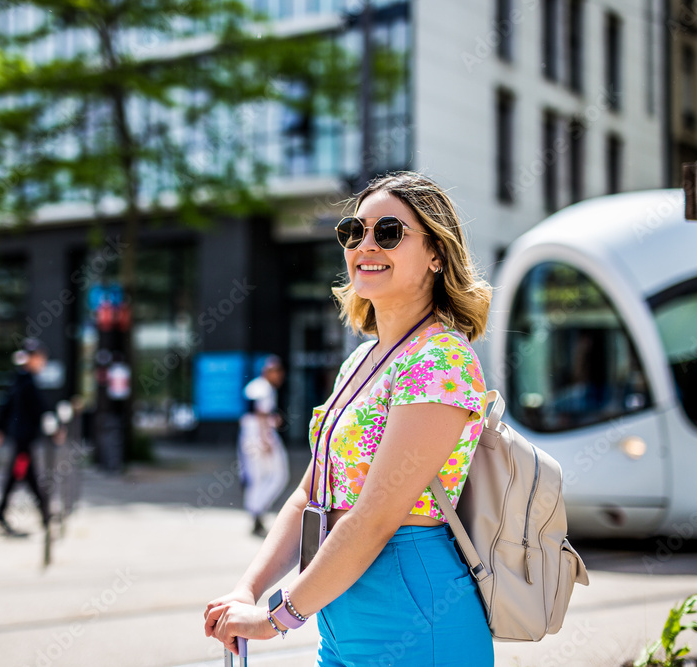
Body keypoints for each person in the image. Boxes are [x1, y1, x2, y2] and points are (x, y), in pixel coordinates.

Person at [204, 172, 495, 665]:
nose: (365, 245)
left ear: (435, 254)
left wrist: (275, 618)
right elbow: (308, 495)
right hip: (340, 610)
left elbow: (376, 517)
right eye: (353, 232)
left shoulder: (441, 358)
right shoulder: (360, 362)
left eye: (388, 232)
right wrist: (246, 590)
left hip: (410, 609)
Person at [0, 338, 54, 537]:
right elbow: (32, 409)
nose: (43, 363)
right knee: (19, 475)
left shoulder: (21, 379)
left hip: (23, 439)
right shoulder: (25, 381)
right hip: (23, 439)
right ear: (31, 359)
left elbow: (8, 407)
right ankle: (41, 515)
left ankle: (44, 514)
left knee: (22, 475)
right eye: (40, 358)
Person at [238, 355, 289, 537]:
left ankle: (256, 514)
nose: (278, 375)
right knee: (278, 475)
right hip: (261, 437)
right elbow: (260, 414)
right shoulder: (263, 387)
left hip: (249, 437)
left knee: (256, 478)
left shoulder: (255, 386)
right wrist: (265, 440)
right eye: (274, 371)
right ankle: (257, 511)